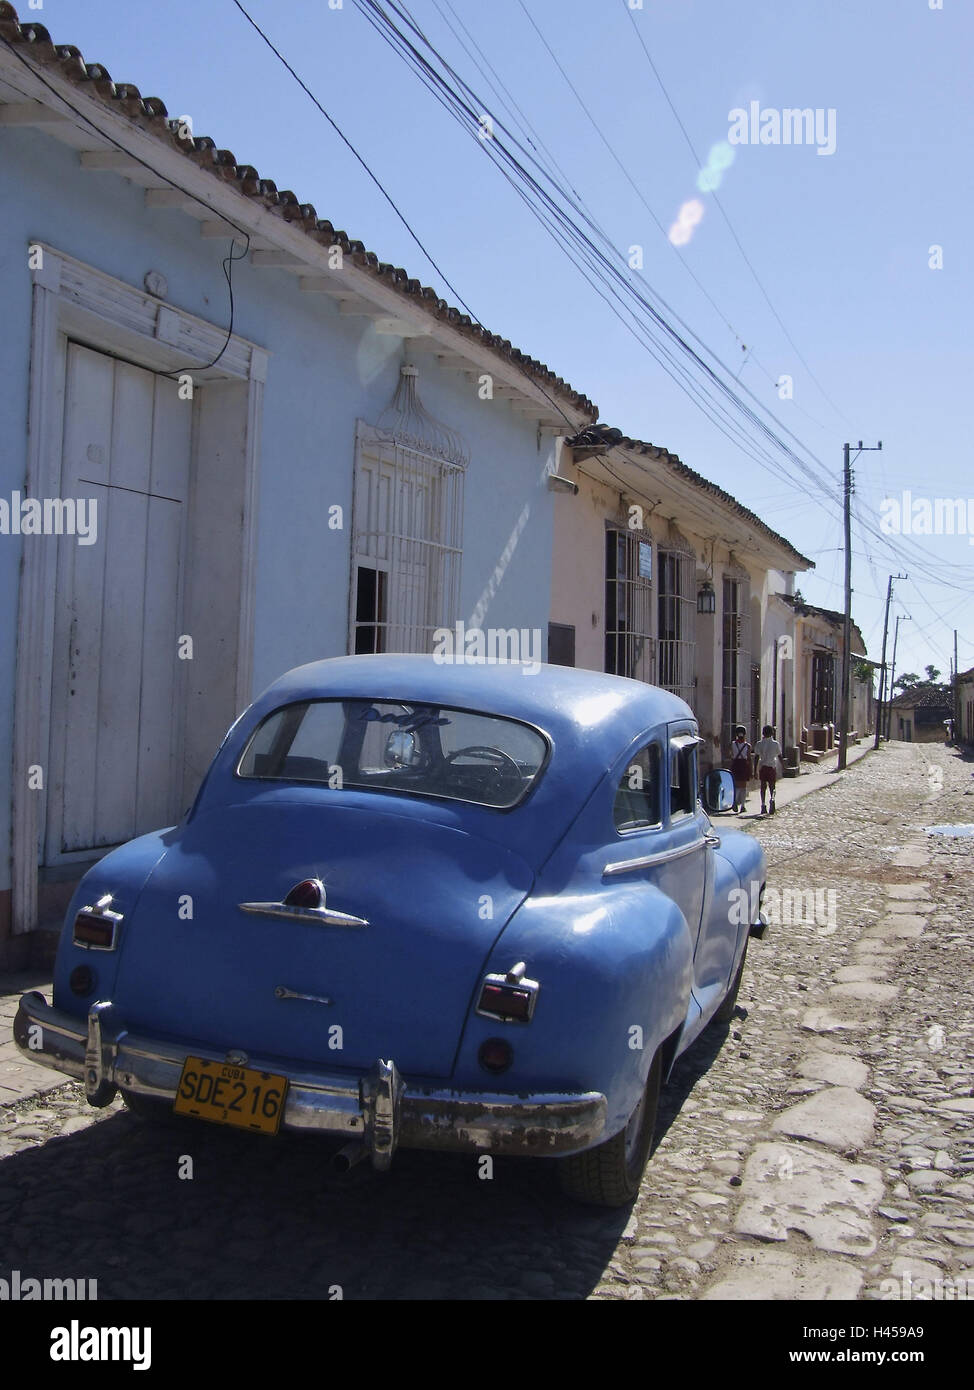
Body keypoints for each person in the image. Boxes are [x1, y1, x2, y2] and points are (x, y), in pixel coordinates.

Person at [754, 724, 783, 815]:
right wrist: (783, 766)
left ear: (763, 733)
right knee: (772, 786)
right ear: (772, 733)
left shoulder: (759, 744)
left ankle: (763, 805)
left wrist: (755, 769)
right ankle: (772, 799)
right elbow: (779, 756)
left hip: (763, 767)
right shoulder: (775, 744)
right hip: (772, 767)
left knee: (763, 787)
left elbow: (756, 757)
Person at [728, 725, 752, 814]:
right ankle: (742, 805)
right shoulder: (747, 746)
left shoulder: (732, 744)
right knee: (743, 786)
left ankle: (735, 801)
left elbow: (730, 755)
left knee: (737, 785)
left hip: (735, 764)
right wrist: (751, 770)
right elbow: (749, 758)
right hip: (743, 764)